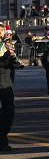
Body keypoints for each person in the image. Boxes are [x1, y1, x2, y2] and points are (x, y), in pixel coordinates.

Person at [0, 23, 16, 152]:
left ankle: (2, 135)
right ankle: (2, 141)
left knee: (9, 111)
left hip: (6, 80)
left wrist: (13, 60)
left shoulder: (7, 45)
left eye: (1, 30)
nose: (0, 32)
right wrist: (5, 59)